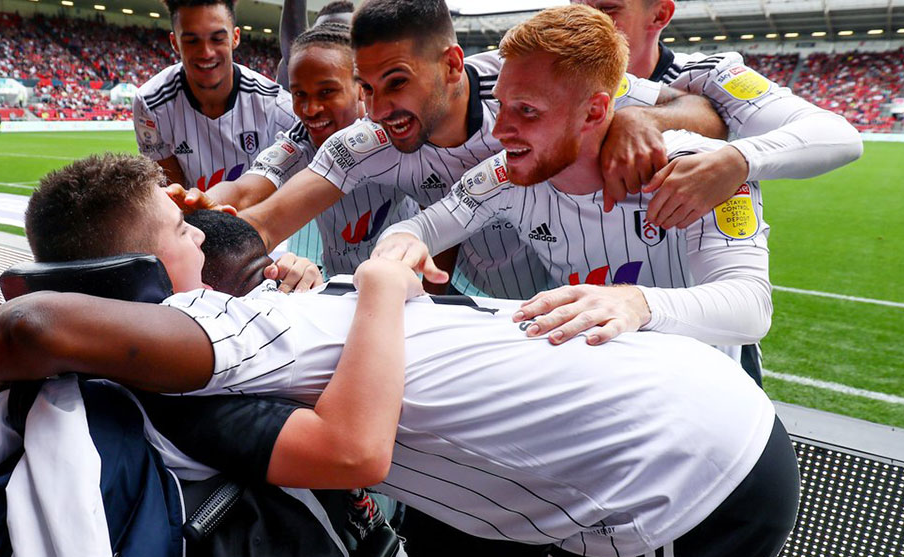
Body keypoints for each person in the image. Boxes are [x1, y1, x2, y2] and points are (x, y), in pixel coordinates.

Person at [0, 152, 800, 557]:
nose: (200, 222)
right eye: (179, 226)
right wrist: (374, 282)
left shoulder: (234, 321)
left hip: (682, 465)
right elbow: (24, 325)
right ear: (143, 281)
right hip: (666, 465)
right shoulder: (194, 338)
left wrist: (339, 286)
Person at [174, 0, 727, 299]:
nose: (378, 107)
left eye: (396, 82)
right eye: (365, 87)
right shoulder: (366, 141)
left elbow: (705, 113)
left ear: (453, 65)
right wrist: (191, 229)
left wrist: (638, 118)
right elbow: (267, 220)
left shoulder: (522, 89)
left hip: (610, 297)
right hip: (491, 307)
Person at [374, 4, 769, 378]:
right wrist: (400, 245)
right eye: (502, 105)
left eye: (527, 110)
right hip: (596, 385)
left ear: (595, 111)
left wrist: (636, 302)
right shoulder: (505, 172)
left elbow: (751, 306)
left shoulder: (698, 168)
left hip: (707, 396)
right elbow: (419, 228)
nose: (499, 131)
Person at [570, 0, 863, 228]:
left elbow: (839, 136)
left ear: (660, 15)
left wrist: (736, 160)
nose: (587, 22)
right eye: (577, 7)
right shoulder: (554, 84)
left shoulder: (707, 75)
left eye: (608, 8)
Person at [185, 22, 420, 277]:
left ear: (361, 89)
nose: (310, 109)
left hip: (405, 286)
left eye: (326, 92)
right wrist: (203, 201)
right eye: (299, 94)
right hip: (337, 286)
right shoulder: (301, 139)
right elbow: (244, 189)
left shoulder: (394, 134)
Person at [133, 0, 296, 190]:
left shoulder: (275, 105)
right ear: (175, 43)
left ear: (235, 38)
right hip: (194, 216)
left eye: (217, 39)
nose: (206, 52)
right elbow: (175, 191)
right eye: (192, 41)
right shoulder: (150, 103)